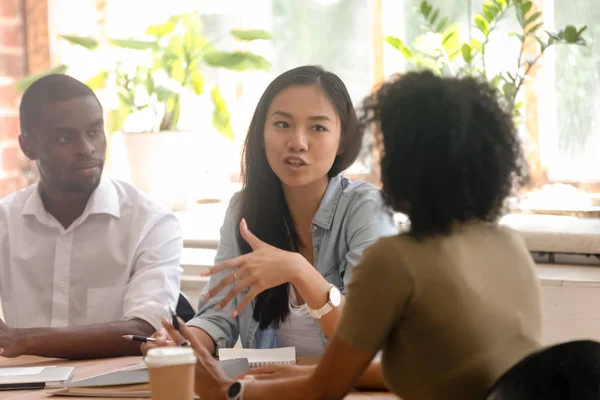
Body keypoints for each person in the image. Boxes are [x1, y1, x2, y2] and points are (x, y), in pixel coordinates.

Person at [162, 70, 544, 400]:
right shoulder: (508, 244)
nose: (298, 141)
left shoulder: (397, 257)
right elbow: (432, 369)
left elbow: (326, 390)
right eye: (282, 124)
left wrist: (229, 391)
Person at [144, 65, 396, 370]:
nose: (297, 142)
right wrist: (181, 341)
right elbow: (217, 317)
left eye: (317, 127)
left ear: (342, 139)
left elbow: (364, 339)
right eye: (282, 124)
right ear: (262, 134)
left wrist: (300, 270)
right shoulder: (243, 209)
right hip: (268, 390)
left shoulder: (366, 209)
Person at [0, 74, 182, 359]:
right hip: (21, 387)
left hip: (115, 387)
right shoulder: (5, 222)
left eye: (94, 132)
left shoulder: (150, 222)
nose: (86, 149)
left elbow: (146, 330)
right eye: (65, 137)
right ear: (28, 147)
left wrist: (24, 341)